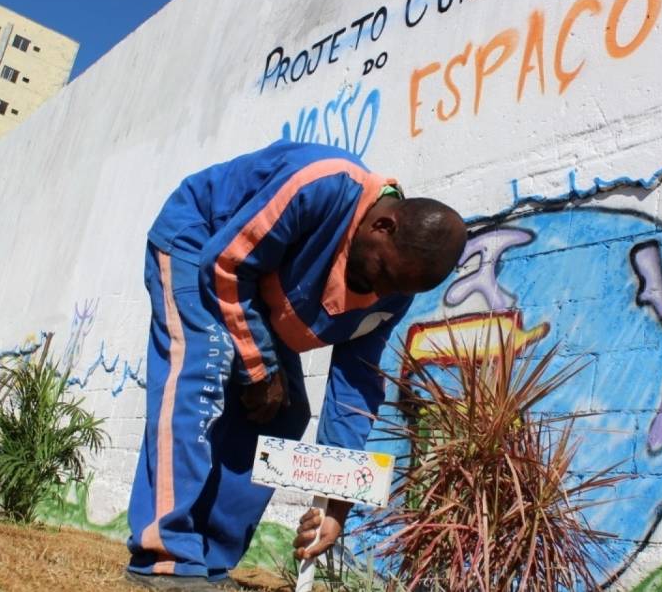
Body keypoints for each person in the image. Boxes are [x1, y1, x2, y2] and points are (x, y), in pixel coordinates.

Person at [127, 142, 467, 590]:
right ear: (383, 225)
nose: (380, 292)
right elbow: (226, 264)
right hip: (200, 243)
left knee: (283, 414)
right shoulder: (321, 182)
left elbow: (355, 391)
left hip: (256, 293)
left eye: (396, 288)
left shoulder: (392, 292)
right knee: (203, 373)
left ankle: (209, 561)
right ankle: (165, 555)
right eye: (382, 272)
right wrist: (259, 369)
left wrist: (335, 506)